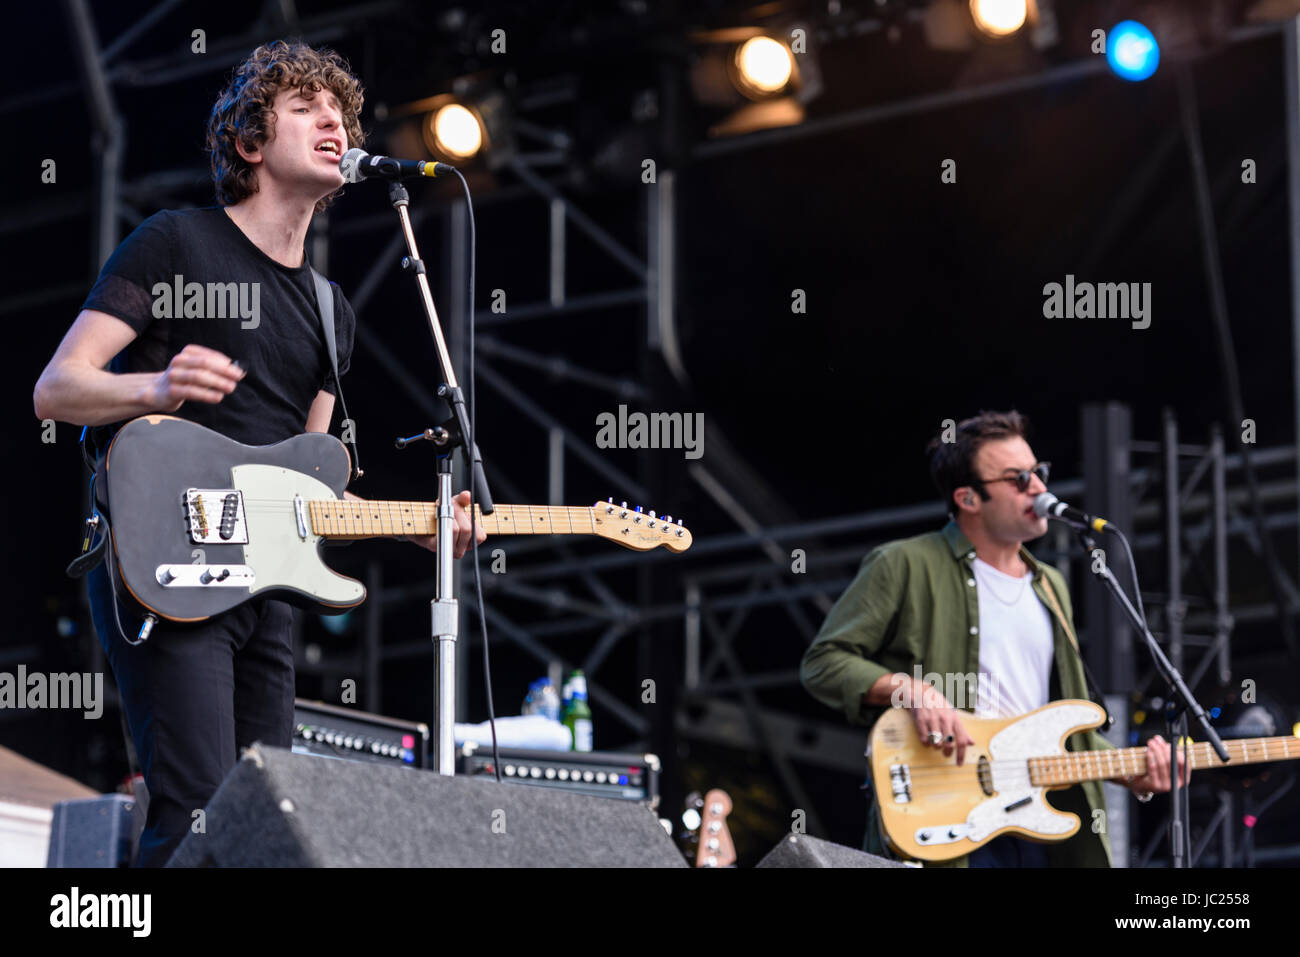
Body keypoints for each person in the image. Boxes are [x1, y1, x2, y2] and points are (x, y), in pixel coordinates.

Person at [32, 40, 484, 866]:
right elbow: (57, 390)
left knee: (259, 823)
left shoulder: (327, 308)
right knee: (192, 808)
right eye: (305, 105)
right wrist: (154, 388)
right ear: (249, 142)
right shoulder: (173, 244)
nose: (333, 121)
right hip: (164, 562)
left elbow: (305, 481)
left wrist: (418, 528)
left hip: (263, 588)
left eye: (340, 113)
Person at [800, 410, 1187, 867]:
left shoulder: (1050, 587)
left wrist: (1131, 770)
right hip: (946, 812)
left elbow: (1048, 725)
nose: (1039, 488)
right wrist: (911, 690)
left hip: (1038, 823)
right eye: (1017, 478)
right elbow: (824, 662)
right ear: (968, 497)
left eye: (1038, 473)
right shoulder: (902, 563)